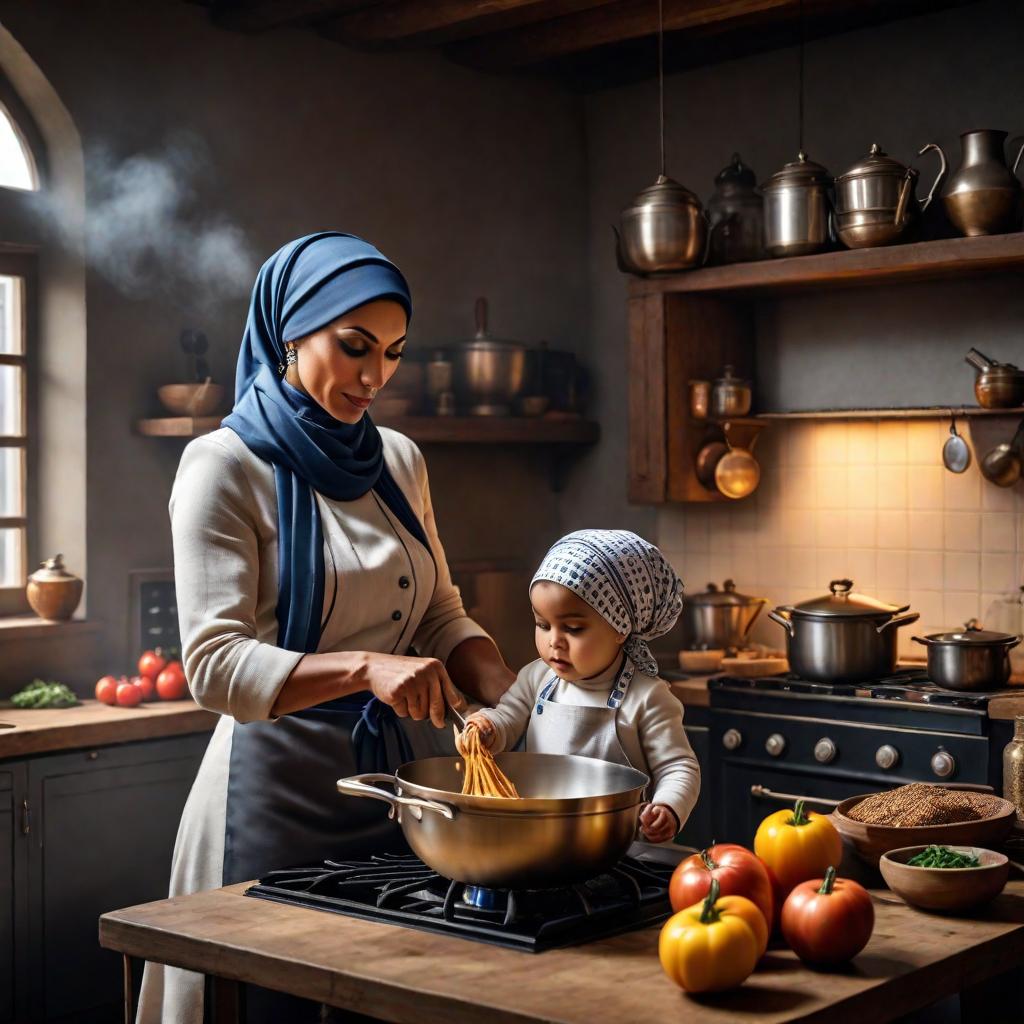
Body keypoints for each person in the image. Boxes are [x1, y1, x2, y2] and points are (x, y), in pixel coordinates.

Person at [137, 232, 514, 1024]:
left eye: (393, 353)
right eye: (353, 347)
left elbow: (442, 612)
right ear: (289, 332)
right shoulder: (223, 465)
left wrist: (510, 692)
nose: (374, 376)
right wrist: (367, 669)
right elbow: (214, 666)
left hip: (398, 794)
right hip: (271, 796)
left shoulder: (399, 460)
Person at [465, 529, 699, 843]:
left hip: (622, 849)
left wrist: (668, 807)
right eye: (542, 624)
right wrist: (488, 727)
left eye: (573, 628)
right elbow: (508, 718)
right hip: (545, 839)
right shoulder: (537, 677)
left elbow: (678, 766)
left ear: (620, 628)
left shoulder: (648, 697)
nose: (554, 642)